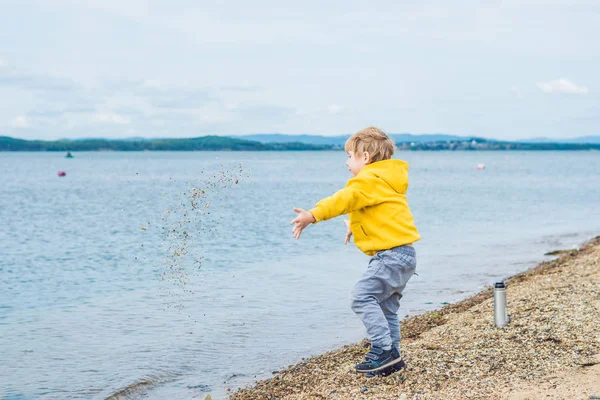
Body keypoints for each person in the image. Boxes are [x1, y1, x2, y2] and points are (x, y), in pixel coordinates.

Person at [290, 126, 420, 376]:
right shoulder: (387, 180)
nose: (347, 161)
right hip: (405, 255)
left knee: (361, 297)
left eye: (350, 156)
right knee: (386, 307)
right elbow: (383, 214)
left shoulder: (369, 179)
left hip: (390, 256)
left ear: (366, 158)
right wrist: (356, 227)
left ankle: (383, 349)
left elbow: (345, 199)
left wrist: (313, 215)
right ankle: (392, 358)